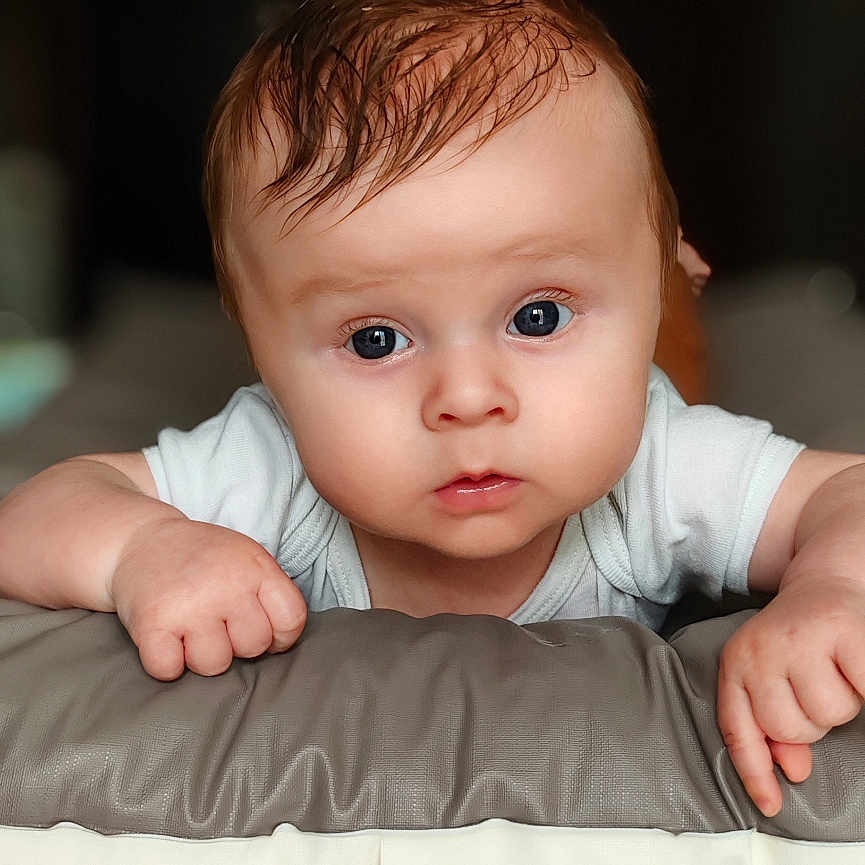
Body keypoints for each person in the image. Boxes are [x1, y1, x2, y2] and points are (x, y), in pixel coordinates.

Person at [0, 0, 863, 821]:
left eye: (537, 317)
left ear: (661, 281)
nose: (466, 398)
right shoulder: (268, 463)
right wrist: (146, 548)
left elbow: (844, 495)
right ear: (262, 352)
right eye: (376, 340)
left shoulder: (658, 465)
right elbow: (37, 514)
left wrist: (832, 587)